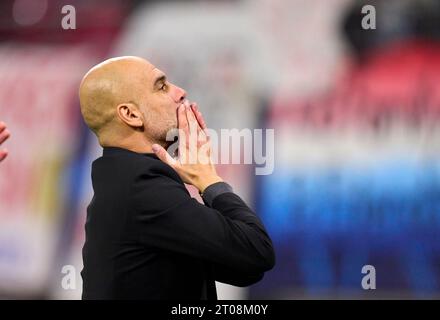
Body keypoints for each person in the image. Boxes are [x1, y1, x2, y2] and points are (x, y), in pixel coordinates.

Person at [78, 56, 275, 300]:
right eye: (161, 86)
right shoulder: (141, 186)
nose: (180, 92)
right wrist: (210, 181)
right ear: (131, 114)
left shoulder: (123, 180)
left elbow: (242, 268)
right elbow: (257, 251)